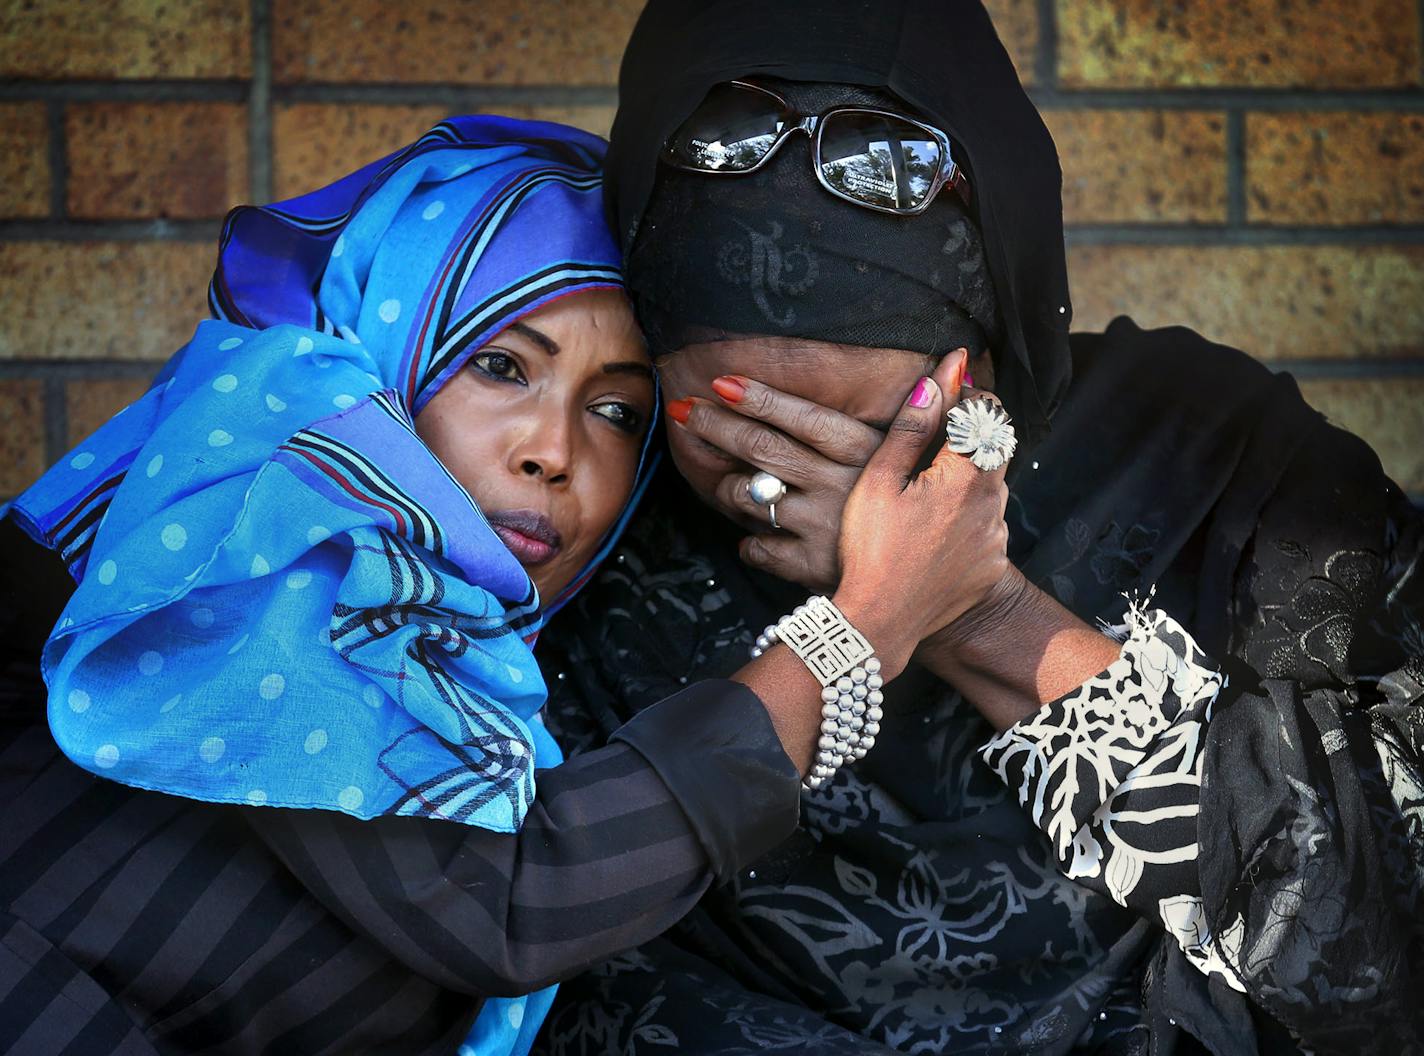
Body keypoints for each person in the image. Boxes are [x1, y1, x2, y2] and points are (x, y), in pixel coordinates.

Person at [534, 2, 1424, 1053]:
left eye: (862, 437)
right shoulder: (584, 536)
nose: (797, 485)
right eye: (731, 435)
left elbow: (1379, 943)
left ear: (983, 358)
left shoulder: (1220, 469)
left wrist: (977, 615)